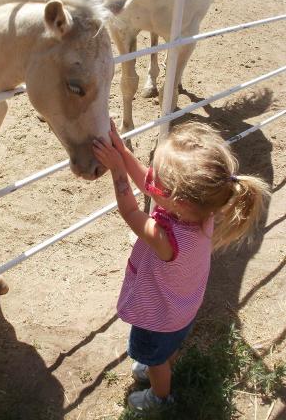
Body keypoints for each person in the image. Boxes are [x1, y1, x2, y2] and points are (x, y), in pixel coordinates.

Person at [92, 119, 270, 416]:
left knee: (155, 360)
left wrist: (117, 169)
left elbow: (130, 210)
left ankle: (160, 396)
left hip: (157, 318)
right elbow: (150, 184)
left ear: (178, 199)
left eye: (159, 177)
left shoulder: (167, 240)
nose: (152, 179)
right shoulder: (204, 213)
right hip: (182, 310)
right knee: (167, 348)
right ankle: (163, 358)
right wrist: (121, 150)